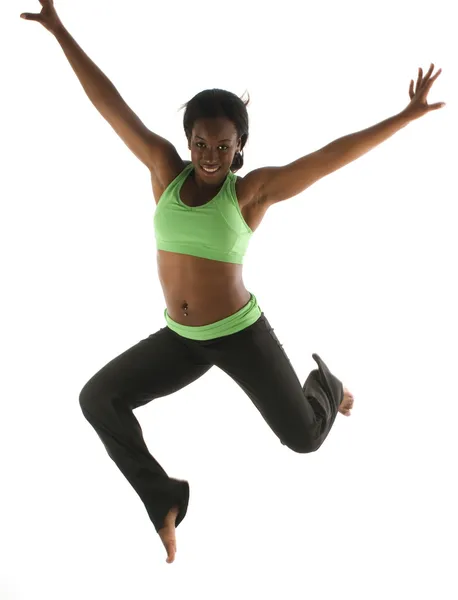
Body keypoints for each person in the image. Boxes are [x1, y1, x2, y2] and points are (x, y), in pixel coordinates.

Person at [21, 0, 444, 565]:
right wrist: (59, 30)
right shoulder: (163, 170)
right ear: (188, 139)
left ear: (239, 146)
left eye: (223, 146)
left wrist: (403, 116)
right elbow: (109, 104)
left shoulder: (248, 193)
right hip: (182, 338)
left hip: (240, 333)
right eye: (201, 143)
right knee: (97, 398)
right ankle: (164, 495)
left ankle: (325, 385)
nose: (210, 156)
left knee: (304, 438)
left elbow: (329, 157)